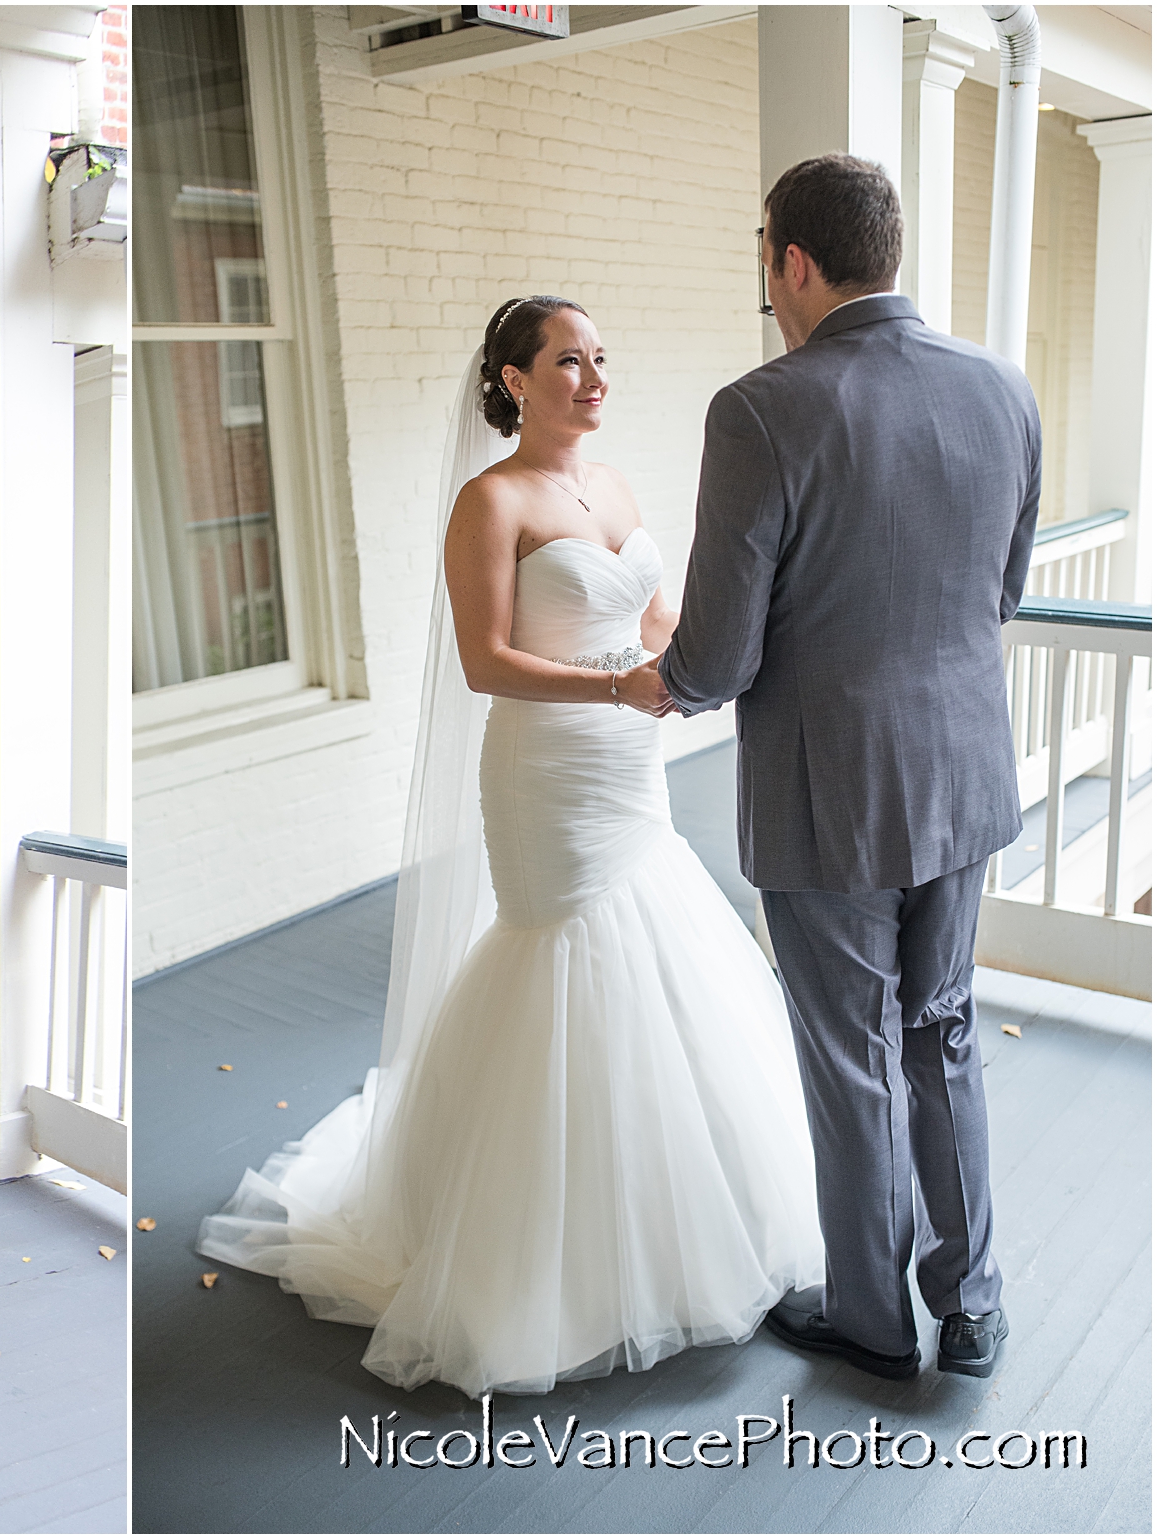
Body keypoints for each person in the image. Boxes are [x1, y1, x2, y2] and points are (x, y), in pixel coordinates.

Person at [196, 295, 825, 1398]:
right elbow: (484, 661)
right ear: (511, 381)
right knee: (563, 958)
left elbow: (659, 625)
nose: (589, 378)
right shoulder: (486, 502)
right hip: (545, 770)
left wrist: (733, 654)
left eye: (597, 358)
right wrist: (614, 686)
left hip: (629, 766)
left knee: (661, 950)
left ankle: (679, 1212)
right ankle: (542, 1255)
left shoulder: (614, 486)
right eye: (565, 362)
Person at [657, 153, 1036, 1381]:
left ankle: (874, 1321)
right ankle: (970, 1304)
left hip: (830, 797)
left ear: (792, 262)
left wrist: (650, 681)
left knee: (849, 1054)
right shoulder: (1000, 388)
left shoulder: (757, 408)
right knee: (943, 1031)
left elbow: (711, 661)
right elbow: (1002, 595)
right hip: (964, 773)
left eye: (764, 261)